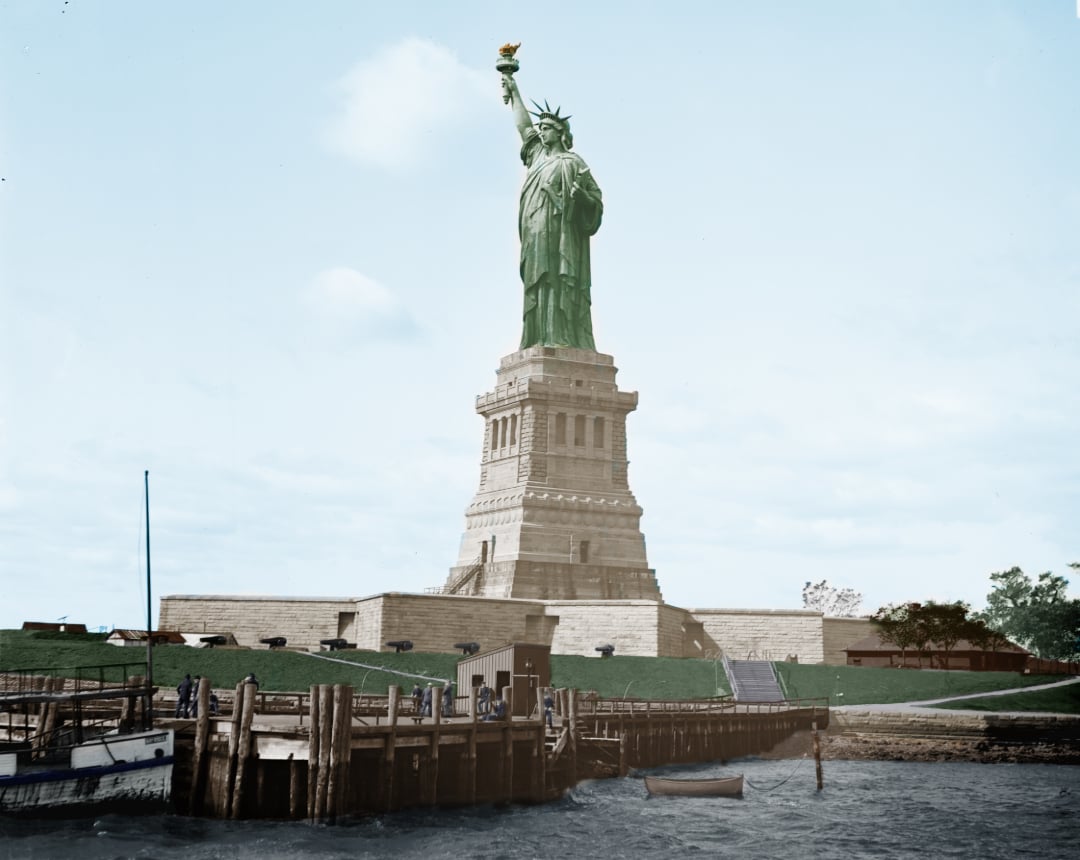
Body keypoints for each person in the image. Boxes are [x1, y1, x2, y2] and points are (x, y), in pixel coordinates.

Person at [501, 71, 602, 350]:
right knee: (538, 283)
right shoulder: (536, 155)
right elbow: (524, 127)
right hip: (535, 233)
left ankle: (563, 337)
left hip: (562, 236)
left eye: (546, 128)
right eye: (541, 128)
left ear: (559, 132)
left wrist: (581, 197)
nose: (542, 131)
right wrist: (513, 91)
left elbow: (596, 201)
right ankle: (537, 337)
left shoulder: (574, 163)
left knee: (559, 282)